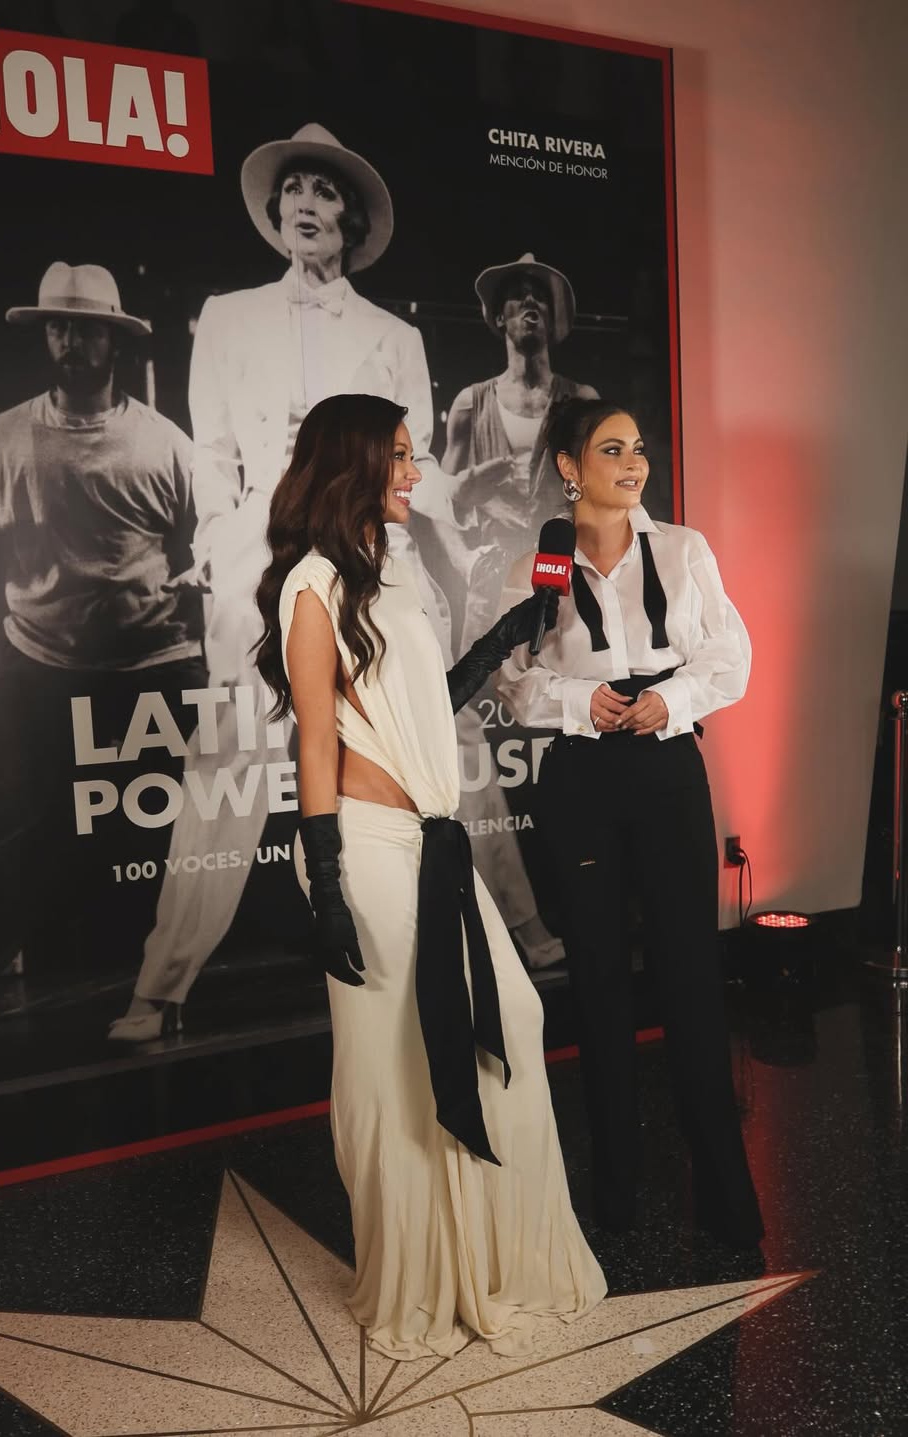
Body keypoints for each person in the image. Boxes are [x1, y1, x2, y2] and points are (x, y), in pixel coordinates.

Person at [255, 392, 606, 1358]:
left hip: (430, 840)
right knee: (393, 1070)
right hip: (364, 848)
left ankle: (491, 1263)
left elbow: (415, 703)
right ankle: (417, 1280)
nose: (416, 471)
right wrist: (327, 886)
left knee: (509, 1021)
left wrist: (498, 642)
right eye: (401, 456)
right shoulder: (313, 585)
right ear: (356, 463)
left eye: (415, 455)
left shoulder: (394, 568)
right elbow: (317, 742)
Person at [111, 122, 466, 1039]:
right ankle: (162, 984)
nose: (306, 204)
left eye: (325, 190)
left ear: (351, 219)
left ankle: (493, 932)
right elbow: (213, 454)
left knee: (416, 738)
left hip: (369, 556)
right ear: (276, 212)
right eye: (294, 190)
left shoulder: (392, 335)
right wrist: (225, 547)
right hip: (259, 563)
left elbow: (417, 458)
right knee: (229, 758)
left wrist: (421, 549)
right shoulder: (229, 316)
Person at [495, 396, 764, 1248]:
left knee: (690, 975)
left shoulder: (684, 549)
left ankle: (726, 1199)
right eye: (611, 449)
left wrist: (671, 701)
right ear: (569, 467)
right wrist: (583, 702)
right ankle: (614, 1205)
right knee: (600, 984)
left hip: (667, 768)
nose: (634, 463)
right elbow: (511, 679)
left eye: (637, 448)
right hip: (581, 779)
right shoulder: (538, 564)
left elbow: (731, 655)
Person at [0, 261, 203, 987]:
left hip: (154, 664)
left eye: (86, 330)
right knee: (17, 820)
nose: (70, 342)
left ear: (113, 340)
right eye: (58, 328)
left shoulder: (163, 442)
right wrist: (12, 647)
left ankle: (158, 982)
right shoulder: (2, 439)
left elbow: (203, 552)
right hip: (41, 663)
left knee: (164, 829)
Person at [440, 253, 598, 970]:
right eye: (516, 297)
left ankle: (584, 902)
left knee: (568, 731)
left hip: (561, 589)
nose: (528, 305)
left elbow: (598, 495)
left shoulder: (580, 397)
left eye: (540, 296)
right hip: (488, 591)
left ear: (555, 317)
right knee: (473, 744)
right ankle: (508, 920)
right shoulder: (471, 403)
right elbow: (443, 500)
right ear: (499, 317)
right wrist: (476, 495)